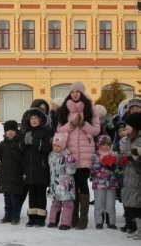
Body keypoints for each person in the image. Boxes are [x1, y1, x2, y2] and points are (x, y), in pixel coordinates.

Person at [56, 81, 100, 229]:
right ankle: (72, 217)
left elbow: (96, 131)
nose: (75, 94)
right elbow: (60, 130)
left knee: (82, 184)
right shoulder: (65, 109)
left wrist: (83, 124)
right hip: (70, 154)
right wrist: (72, 124)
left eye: (78, 91)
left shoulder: (90, 109)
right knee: (71, 186)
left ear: (82, 93)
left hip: (86, 153)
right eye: (73, 91)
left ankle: (83, 219)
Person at [19, 107, 54, 227]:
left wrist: (33, 142)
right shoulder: (25, 132)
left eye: (36, 118)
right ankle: (32, 217)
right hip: (29, 168)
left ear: (41, 120)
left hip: (41, 167)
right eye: (31, 118)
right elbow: (20, 149)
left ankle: (41, 218)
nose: (33, 120)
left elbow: (47, 147)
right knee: (31, 193)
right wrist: (24, 143)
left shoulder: (46, 132)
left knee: (40, 193)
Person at [0, 120, 23, 225]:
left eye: (12, 130)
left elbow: (20, 158)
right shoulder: (3, 144)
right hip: (5, 174)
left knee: (14, 196)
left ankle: (15, 215)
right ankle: (7, 214)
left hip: (15, 174)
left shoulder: (19, 143)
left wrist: (14, 148)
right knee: (7, 196)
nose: (10, 133)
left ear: (16, 131)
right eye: (8, 130)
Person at [47, 133, 77, 230]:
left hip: (66, 185)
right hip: (55, 184)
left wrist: (72, 163)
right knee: (55, 203)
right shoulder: (51, 156)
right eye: (54, 145)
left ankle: (66, 223)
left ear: (63, 146)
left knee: (68, 204)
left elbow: (70, 171)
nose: (56, 148)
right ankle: (53, 221)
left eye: (58, 146)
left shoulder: (67, 156)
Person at [118, 113, 141, 238]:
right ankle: (136, 228)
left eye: (128, 124)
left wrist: (124, 159)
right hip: (130, 176)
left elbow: (134, 157)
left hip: (137, 177)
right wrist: (114, 158)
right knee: (133, 204)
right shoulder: (129, 140)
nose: (126, 127)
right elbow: (126, 157)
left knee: (137, 204)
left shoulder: (139, 140)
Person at [91, 135, 119, 230]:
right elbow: (93, 170)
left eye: (108, 144)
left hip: (111, 183)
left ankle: (111, 222)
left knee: (110, 204)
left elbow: (117, 169)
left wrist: (113, 163)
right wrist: (99, 163)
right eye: (103, 144)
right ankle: (99, 222)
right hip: (99, 183)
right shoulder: (96, 156)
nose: (105, 146)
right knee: (99, 203)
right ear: (99, 145)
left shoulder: (114, 155)